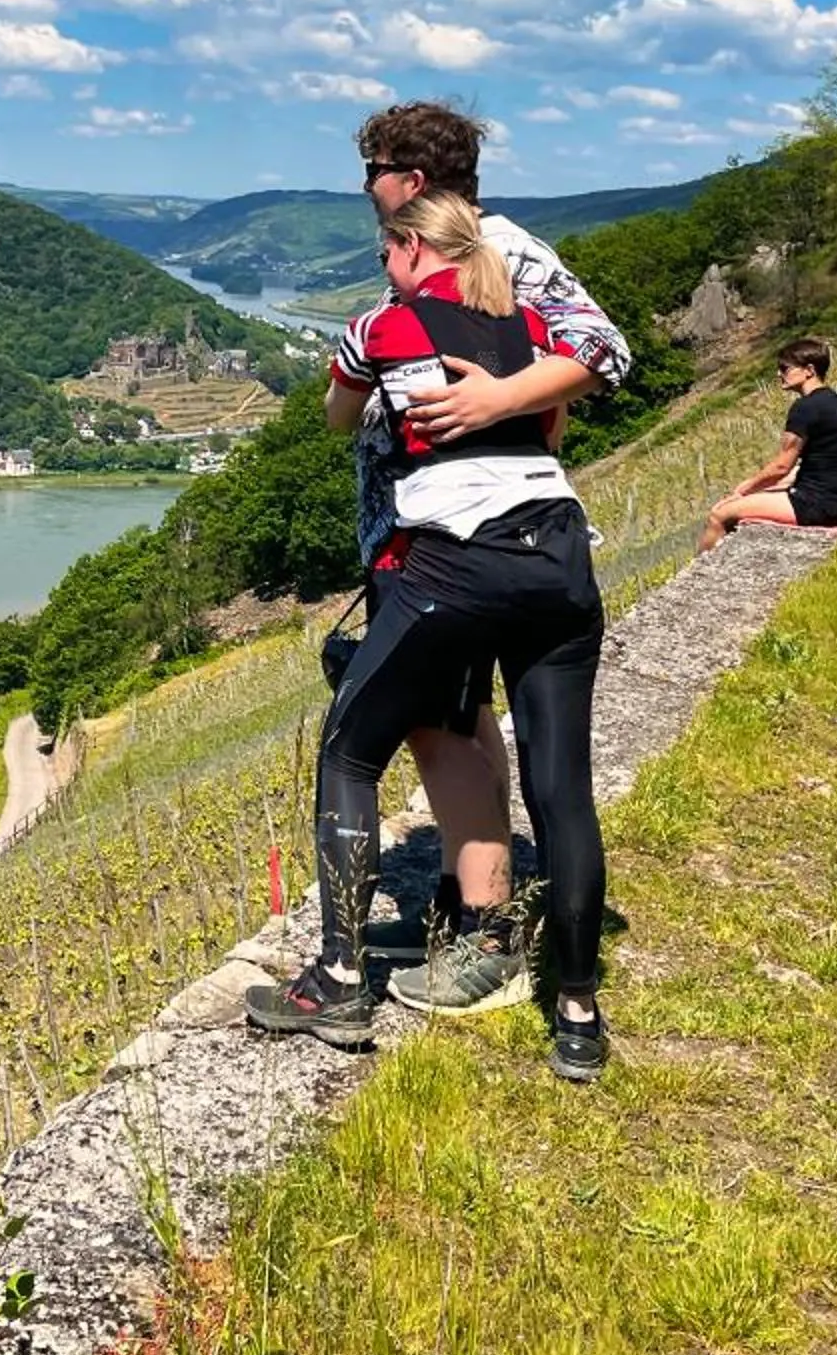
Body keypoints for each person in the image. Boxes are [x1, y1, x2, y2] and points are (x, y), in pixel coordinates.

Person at [245, 190, 614, 1081]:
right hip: (561, 558)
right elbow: (555, 422)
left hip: (452, 564)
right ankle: (576, 1012)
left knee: (350, 749)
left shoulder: (382, 324)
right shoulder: (533, 331)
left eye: (386, 250)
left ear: (413, 248)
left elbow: (339, 420)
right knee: (562, 789)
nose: (382, 266)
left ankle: (338, 977)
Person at [341, 105, 629, 1012]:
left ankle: (486, 931)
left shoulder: (500, 248)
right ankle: (473, 906)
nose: (367, 190)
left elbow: (603, 349)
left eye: (372, 173)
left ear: (410, 180)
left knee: (444, 722)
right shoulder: (441, 253)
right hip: (433, 536)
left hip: (465, 543)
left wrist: (496, 398)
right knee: (451, 721)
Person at [699, 337, 837, 552]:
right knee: (755, 497)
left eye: (785, 368)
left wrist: (742, 490)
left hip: (818, 506)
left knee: (720, 514)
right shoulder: (836, 401)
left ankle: (702, 570)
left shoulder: (805, 408)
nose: (779, 374)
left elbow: (781, 466)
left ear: (809, 370)